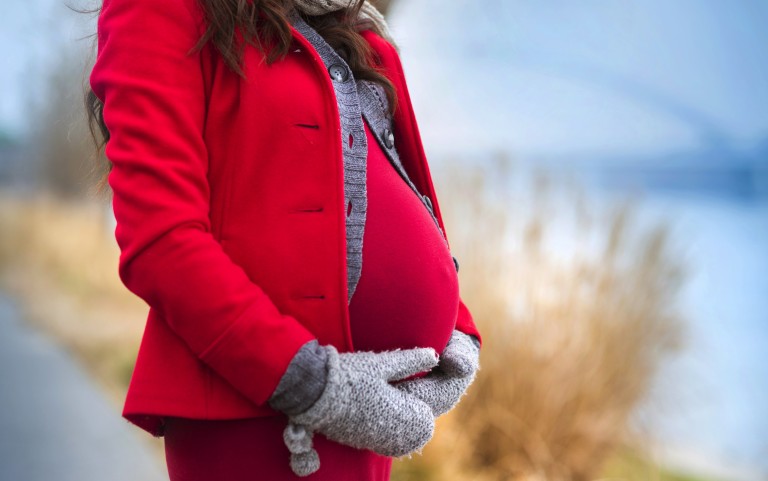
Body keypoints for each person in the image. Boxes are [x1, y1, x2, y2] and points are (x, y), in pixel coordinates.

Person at [85, 0, 483, 479]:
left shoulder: (343, 23)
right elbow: (161, 241)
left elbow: (399, 185)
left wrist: (458, 336)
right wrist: (314, 385)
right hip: (261, 415)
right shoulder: (158, 9)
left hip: (374, 405)